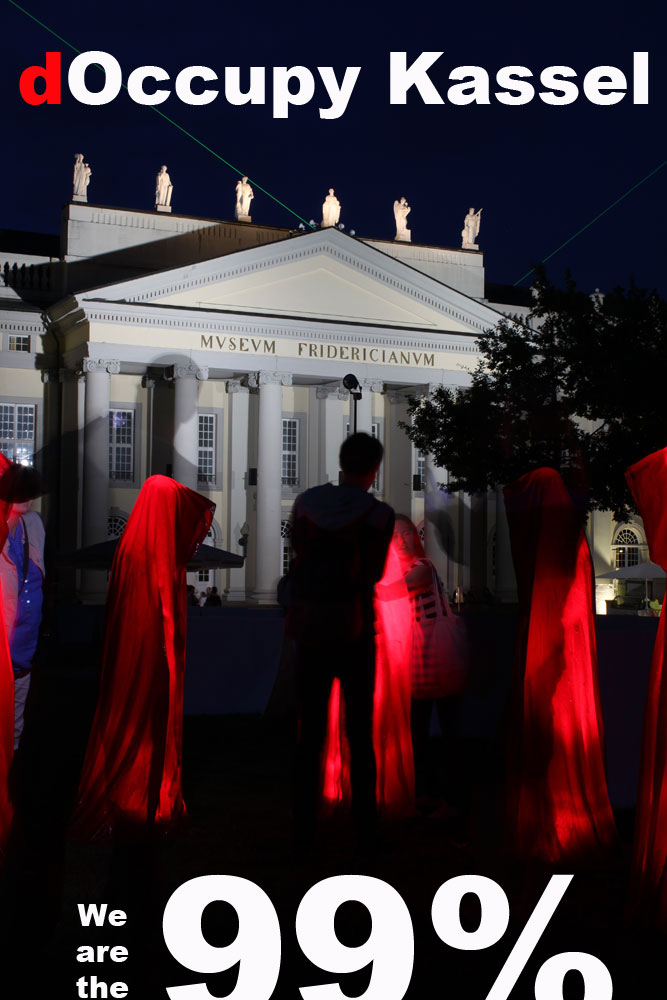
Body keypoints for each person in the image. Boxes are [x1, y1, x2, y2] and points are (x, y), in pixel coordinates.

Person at [73, 476, 214, 840]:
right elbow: (157, 614)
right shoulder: (152, 553)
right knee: (142, 727)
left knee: (134, 724)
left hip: (135, 658)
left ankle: (141, 795)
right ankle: (141, 798)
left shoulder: (133, 549)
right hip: (148, 658)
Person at [286, 432, 394, 850]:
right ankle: (365, 823)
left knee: (309, 731)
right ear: (374, 470)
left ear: (341, 461)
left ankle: (303, 822)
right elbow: (374, 573)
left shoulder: (307, 503)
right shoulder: (378, 513)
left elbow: (296, 549)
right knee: (359, 731)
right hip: (353, 627)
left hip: (311, 626)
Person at [503, 467, 616, 862]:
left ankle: (548, 817)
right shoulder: (571, 544)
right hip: (565, 664)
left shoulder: (542, 547)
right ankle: (562, 816)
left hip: (552, 664)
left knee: (545, 735)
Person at [0, 464, 45, 752]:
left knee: (15, 732)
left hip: (24, 651)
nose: (26, 499)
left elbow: (39, 577)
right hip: (5, 648)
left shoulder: (34, 525)